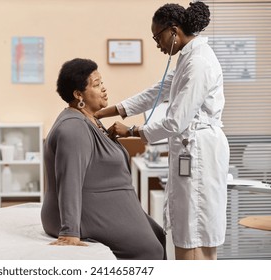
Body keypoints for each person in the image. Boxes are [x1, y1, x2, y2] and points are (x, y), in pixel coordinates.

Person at [95, 2, 230, 260]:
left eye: (158, 37)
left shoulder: (199, 63)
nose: (157, 44)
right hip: (192, 148)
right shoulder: (188, 58)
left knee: (194, 232)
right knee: (192, 230)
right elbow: (155, 92)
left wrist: (131, 130)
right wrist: (109, 110)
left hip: (199, 151)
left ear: (173, 31)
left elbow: (175, 122)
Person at [41, 58, 166, 260]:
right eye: (97, 85)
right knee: (151, 251)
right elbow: (70, 180)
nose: (104, 89)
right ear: (78, 94)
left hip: (107, 204)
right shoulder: (73, 127)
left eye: (102, 83)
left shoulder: (91, 120)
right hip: (86, 211)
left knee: (159, 237)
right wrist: (69, 232)